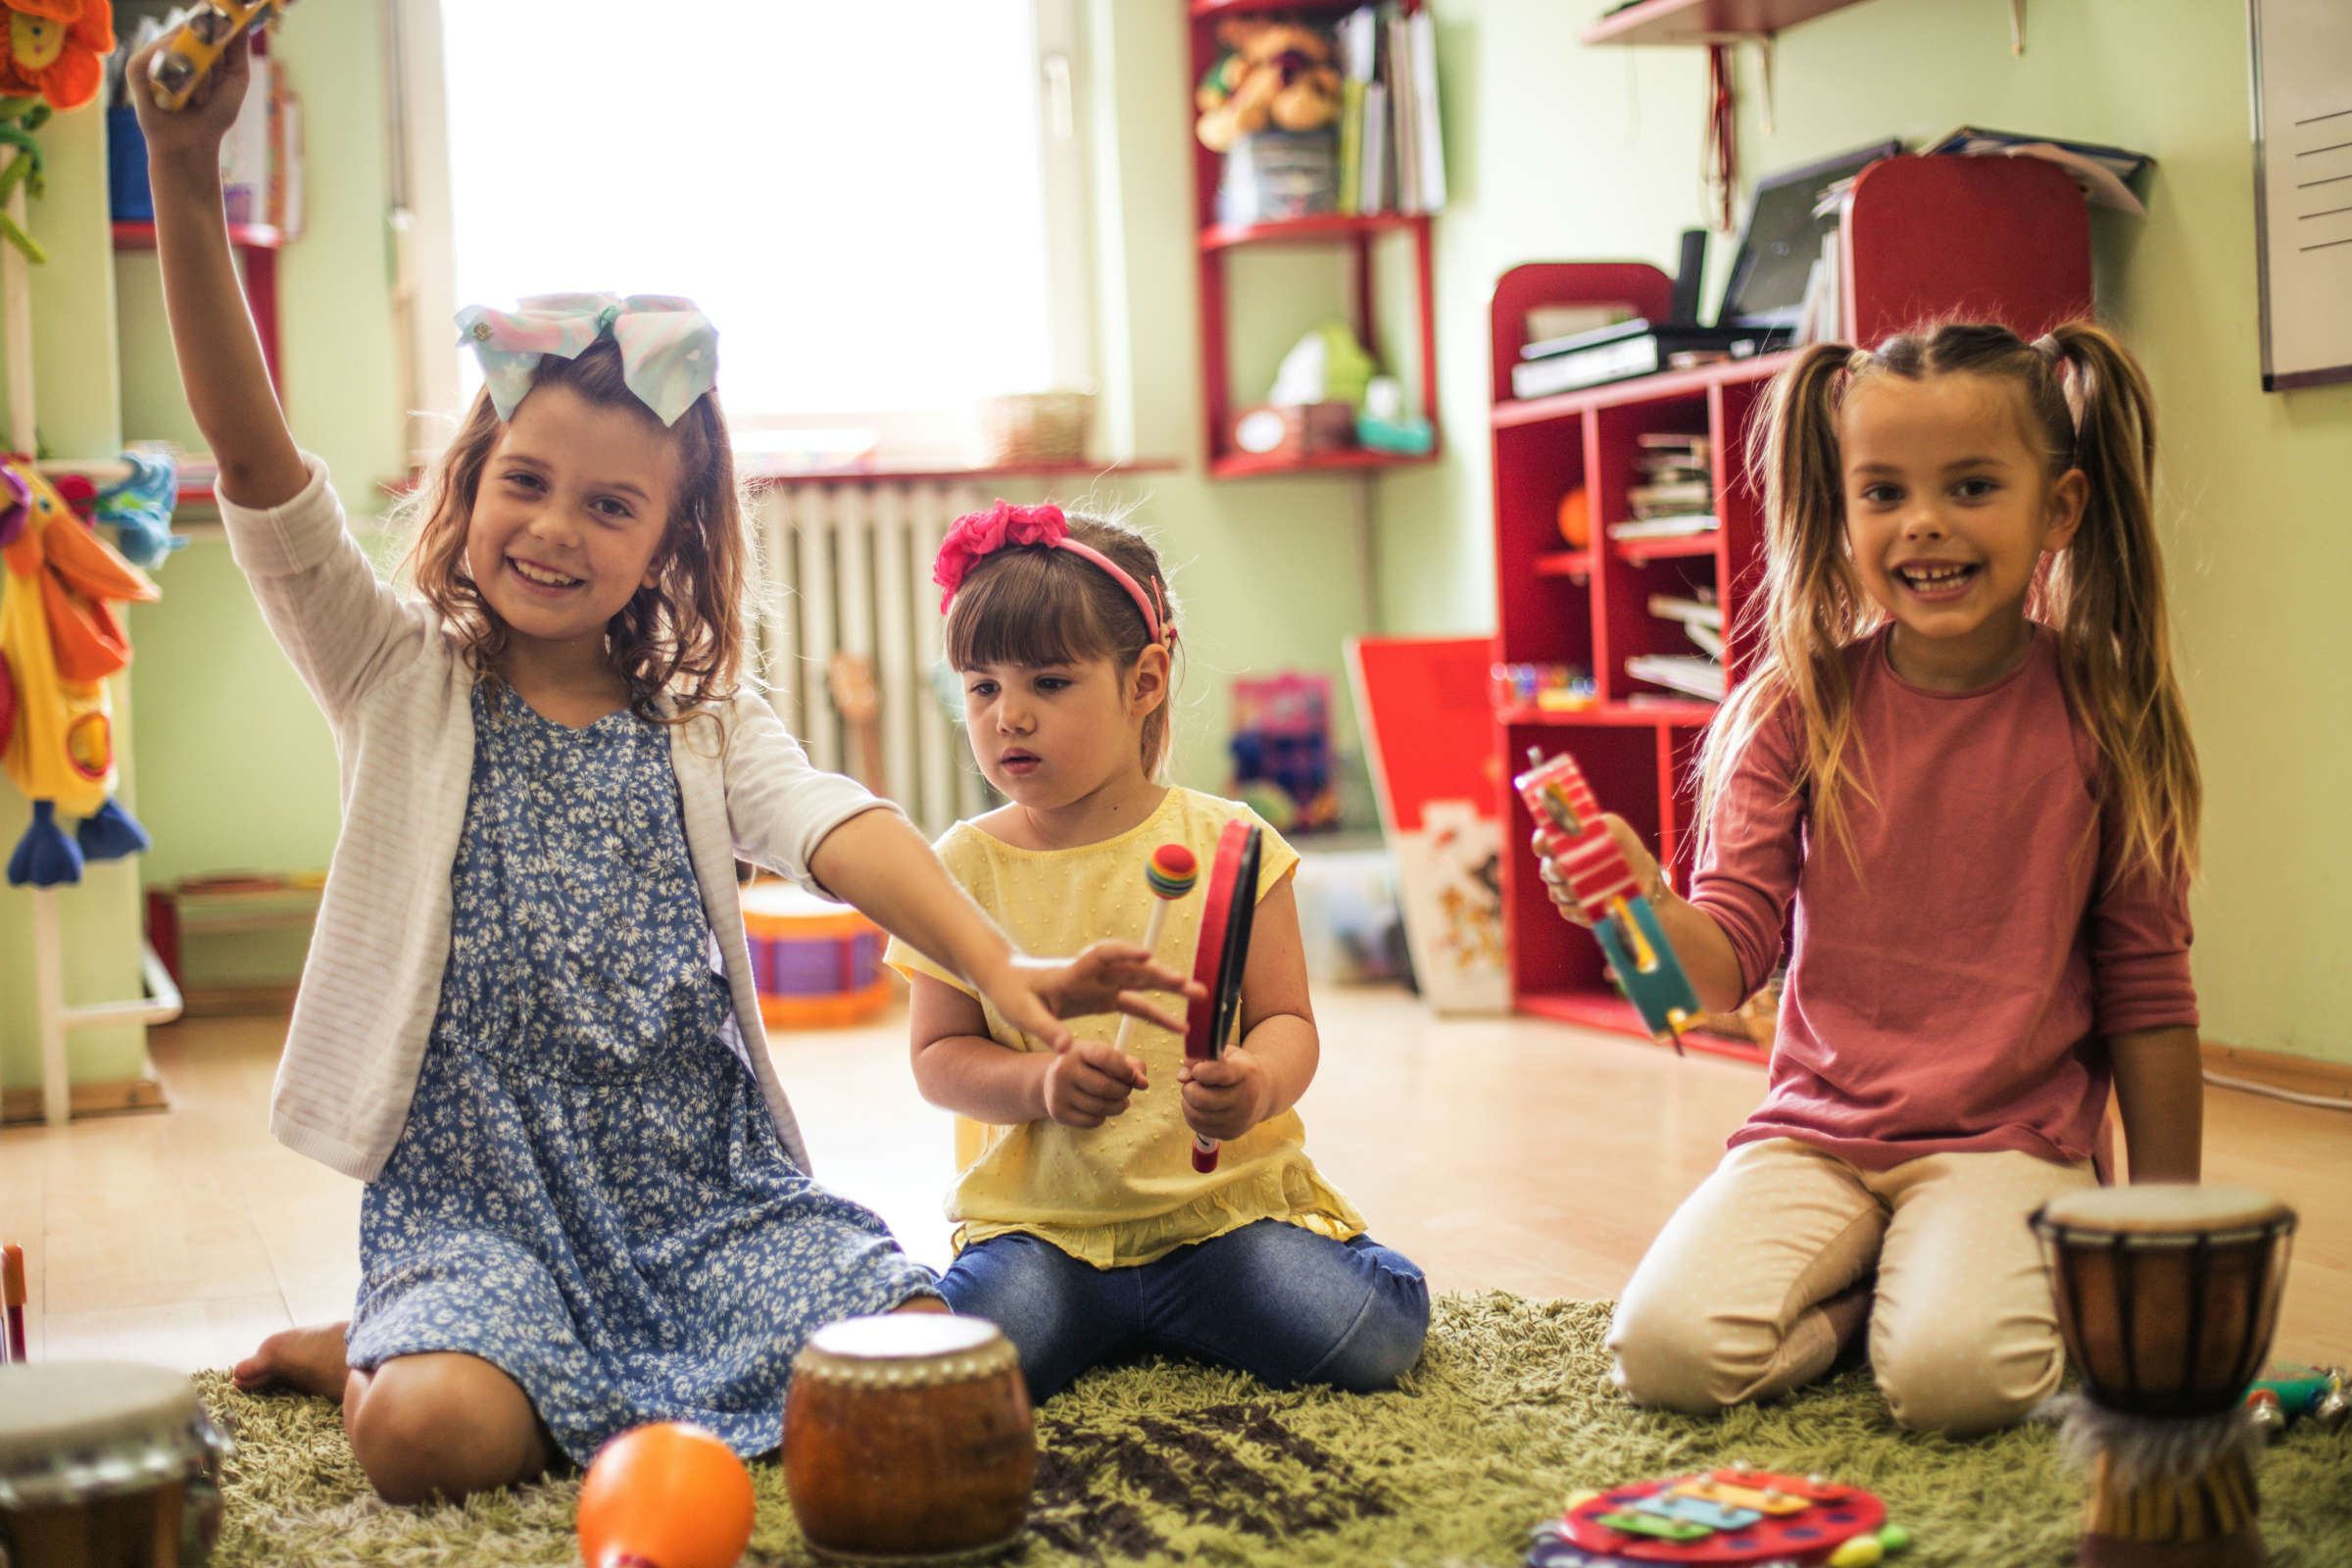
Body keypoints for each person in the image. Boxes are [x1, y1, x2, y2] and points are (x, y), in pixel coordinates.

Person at [132, 37, 1192, 1501]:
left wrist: (994, 957)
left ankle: (466, 1351)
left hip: (700, 1197)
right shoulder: (395, 674)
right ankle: (380, 1343)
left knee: (939, 1350)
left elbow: (835, 824)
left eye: (611, 505)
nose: (556, 530)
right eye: (527, 483)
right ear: (472, 486)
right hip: (479, 1205)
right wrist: (185, 180)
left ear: (666, 543)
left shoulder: (698, 708)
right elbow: (258, 470)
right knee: (433, 1447)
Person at [1556, 320, 2203, 1435]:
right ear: (1843, 510)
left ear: (2060, 509)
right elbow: (1720, 966)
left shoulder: (2107, 711)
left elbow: (2149, 995)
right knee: (1663, 1352)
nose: (1925, 524)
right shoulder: (1794, 710)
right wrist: (1645, 899)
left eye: (1971, 486)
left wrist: (2163, 1232)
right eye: (1884, 492)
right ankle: (1865, 1301)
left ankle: (1931, 1285)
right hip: (1814, 1130)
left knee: (1960, 1385)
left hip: (2010, 1142)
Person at [886, 500, 1430, 1402]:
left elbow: (1288, 1020)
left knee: (1373, 1339)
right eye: (982, 688)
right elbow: (938, 1059)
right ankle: (1111, 1322)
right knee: (952, 1379)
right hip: (1042, 1235)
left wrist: (1255, 1084)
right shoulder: (958, 867)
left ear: (1145, 680)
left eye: (1048, 684)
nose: (1008, 717)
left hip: (1220, 1225)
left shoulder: (1236, 843)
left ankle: (1182, 1310)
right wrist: (1037, 1086)